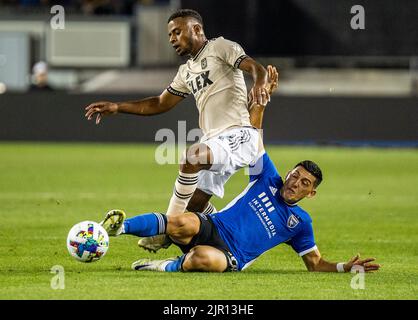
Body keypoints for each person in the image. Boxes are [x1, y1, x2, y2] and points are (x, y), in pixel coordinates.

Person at [98, 75, 380, 274]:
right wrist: (262, 97)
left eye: (304, 182)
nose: (295, 182)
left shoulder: (300, 223)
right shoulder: (267, 178)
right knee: (180, 221)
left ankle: (162, 266)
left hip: (230, 256)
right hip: (214, 226)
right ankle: (116, 228)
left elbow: (316, 264)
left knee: (201, 259)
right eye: (294, 175)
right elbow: (253, 135)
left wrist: (346, 267)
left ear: (311, 193)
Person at [85, 9, 272, 252]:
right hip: (214, 139)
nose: (172, 38)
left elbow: (257, 68)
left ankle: (167, 230)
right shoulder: (186, 71)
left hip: (239, 135)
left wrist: (259, 83)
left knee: (190, 158)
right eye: (170, 35)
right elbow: (160, 103)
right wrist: (117, 107)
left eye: (177, 32)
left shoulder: (221, 47)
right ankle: (224, 239)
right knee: (194, 205)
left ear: (196, 29)